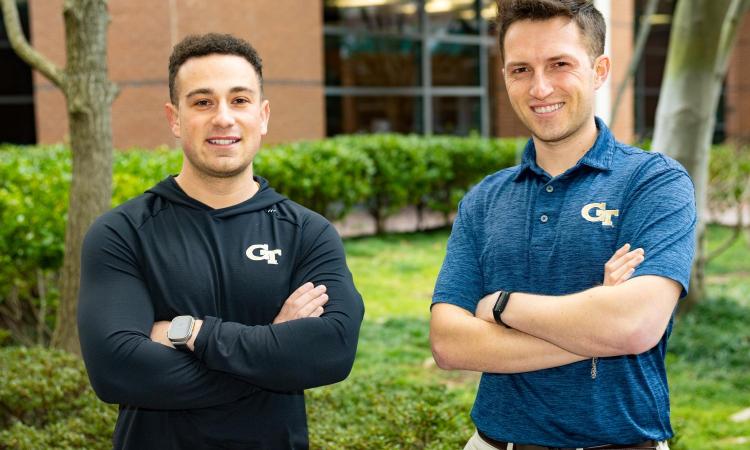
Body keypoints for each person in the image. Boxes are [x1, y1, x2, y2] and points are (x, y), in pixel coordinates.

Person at [77, 33, 364, 450]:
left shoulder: (306, 232)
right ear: (175, 118)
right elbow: (118, 370)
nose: (224, 118)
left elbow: (333, 351)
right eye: (202, 102)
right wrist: (272, 349)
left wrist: (194, 333)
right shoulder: (122, 233)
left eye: (240, 100)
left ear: (263, 116)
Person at [429, 1, 696, 449]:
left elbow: (635, 325)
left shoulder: (653, 182)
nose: (540, 87)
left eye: (559, 64)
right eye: (520, 70)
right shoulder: (484, 200)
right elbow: (449, 344)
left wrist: (500, 306)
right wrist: (597, 328)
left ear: (599, 69)